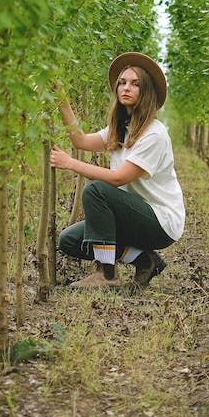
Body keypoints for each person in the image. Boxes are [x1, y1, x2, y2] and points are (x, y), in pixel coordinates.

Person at [50, 52, 185, 289]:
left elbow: (119, 178)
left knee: (96, 190)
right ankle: (145, 260)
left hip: (160, 221)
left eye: (135, 84)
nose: (126, 88)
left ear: (147, 92)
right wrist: (61, 99)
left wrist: (70, 163)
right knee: (70, 240)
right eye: (122, 83)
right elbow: (80, 141)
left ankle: (106, 273)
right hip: (131, 213)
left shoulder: (154, 134)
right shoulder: (121, 129)